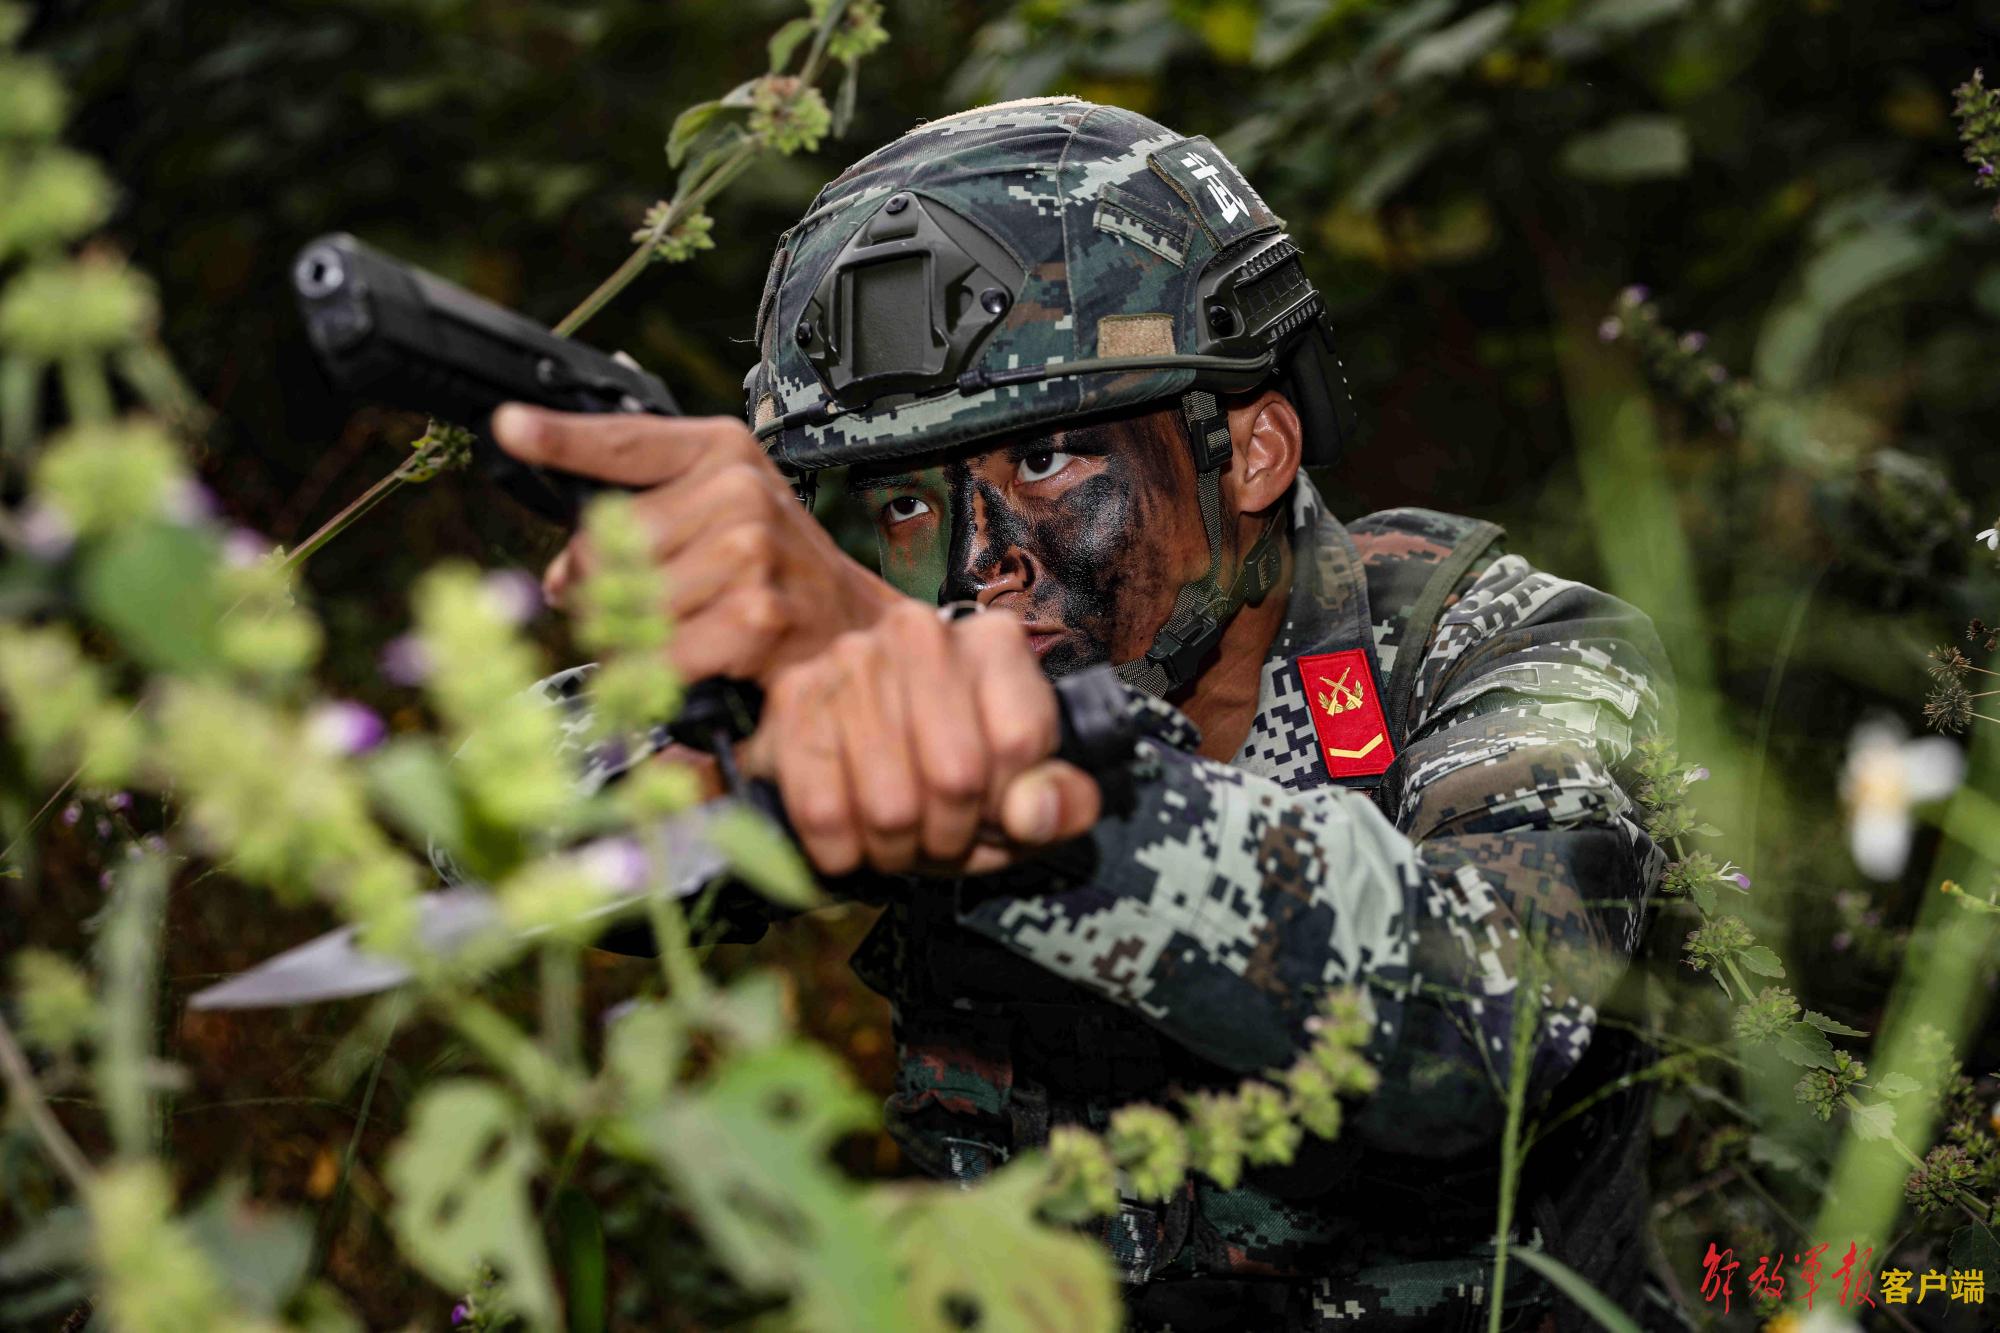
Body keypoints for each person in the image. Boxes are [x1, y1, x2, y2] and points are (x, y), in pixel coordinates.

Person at [491, 98, 1680, 1331]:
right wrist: (741, 734)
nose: (976, 562)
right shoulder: (922, 688)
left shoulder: (1509, 650)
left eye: (1045, 462)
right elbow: (498, 804)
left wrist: (1041, 790)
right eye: (905, 503)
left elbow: (1479, 1018)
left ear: (1253, 451)